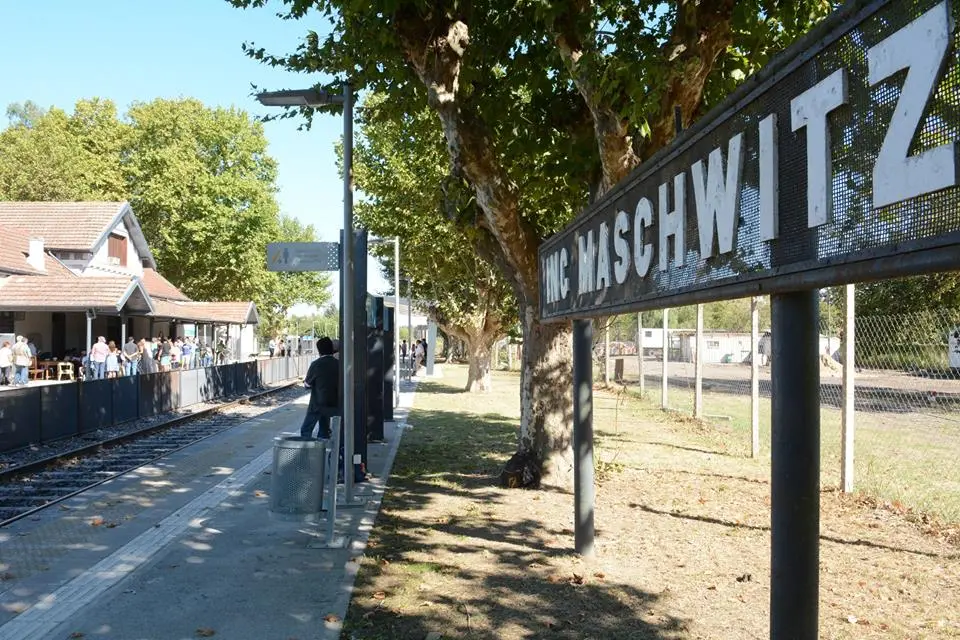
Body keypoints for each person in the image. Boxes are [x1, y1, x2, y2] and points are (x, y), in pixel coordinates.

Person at [300, 337, 341, 439]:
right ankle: (323, 446)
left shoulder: (316, 364)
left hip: (318, 404)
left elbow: (307, 384)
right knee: (324, 431)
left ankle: (307, 451)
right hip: (335, 403)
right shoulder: (338, 364)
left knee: (305, 430)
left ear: (319, 350)